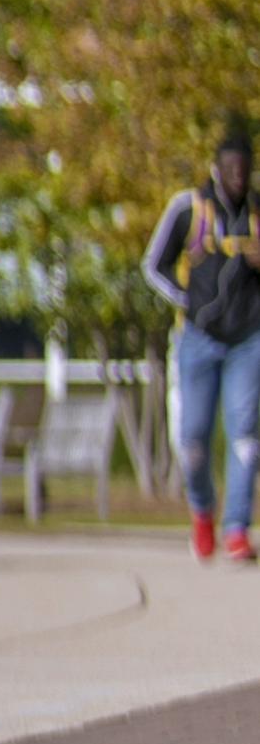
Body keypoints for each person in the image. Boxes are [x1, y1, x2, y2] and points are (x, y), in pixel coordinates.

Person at [141, 125, 260, 562]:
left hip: (249, 339)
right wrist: (190, 301)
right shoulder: (189, 208)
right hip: (197, 339)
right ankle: (202, 512)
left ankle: (237, 529)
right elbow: (153, 265)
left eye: (244, 170)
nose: (237, 177)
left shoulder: (256, 213)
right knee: (192, 439)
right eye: (230, 169)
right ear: (216, 168)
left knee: (245, 434)